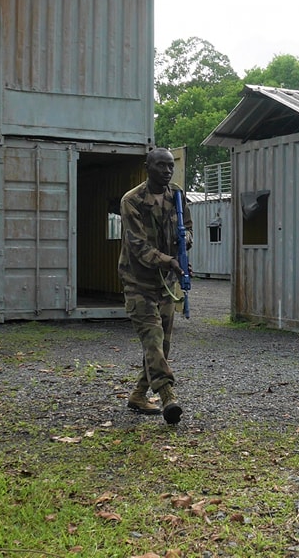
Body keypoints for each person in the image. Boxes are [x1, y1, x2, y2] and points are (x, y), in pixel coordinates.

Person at [118, 147, 191, 425]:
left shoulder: (178, 196)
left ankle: (138, 394)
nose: (167, 171)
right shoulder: (132, 200)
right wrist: (168, 260)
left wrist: (185, 246)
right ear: (147, 167)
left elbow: (190, 228)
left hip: (167, 283)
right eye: (161, 166)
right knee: (153, 340)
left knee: (163, 346)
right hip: (139, 282)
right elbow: (138, 246)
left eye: (170, 166)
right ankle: (168, 395)